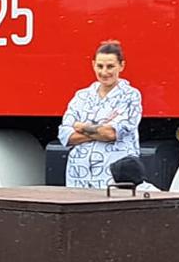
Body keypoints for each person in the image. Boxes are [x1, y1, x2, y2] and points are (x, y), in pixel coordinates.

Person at [57, 40, 143, 189]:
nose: (104, 72)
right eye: (100, 66)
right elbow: (65, 136)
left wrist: (80, 126)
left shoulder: (131, 96)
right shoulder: (81, 96)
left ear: (121, 66)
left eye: (110, 66)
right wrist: (98, 130)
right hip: (78, 180)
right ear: (93, 65)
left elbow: (111, 133)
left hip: (113, 180)